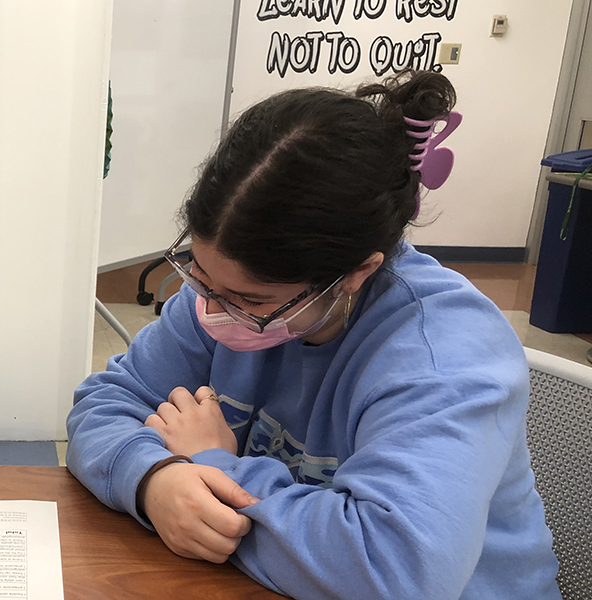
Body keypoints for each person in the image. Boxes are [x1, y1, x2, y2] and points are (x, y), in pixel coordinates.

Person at [65, 71, 560, 599]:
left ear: (356, 273)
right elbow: (103, 405)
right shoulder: (226, 286)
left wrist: (215, 466)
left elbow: (395, 575)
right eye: (199, 278)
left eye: (251, 302)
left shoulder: (444, 355)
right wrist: (153, 479)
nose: (210, 310)